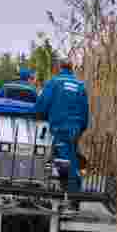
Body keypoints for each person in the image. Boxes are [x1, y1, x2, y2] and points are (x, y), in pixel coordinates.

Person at [35, 58, 90, 207]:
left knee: (65, 161)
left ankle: (73, 197)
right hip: (76, 128)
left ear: (59, 68)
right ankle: (66, 189)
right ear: (72, 69)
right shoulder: (80, 86)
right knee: (68, 158)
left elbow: (42, 105)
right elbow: (85, 111)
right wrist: (81, 128)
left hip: (60, 127)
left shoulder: (54, 83)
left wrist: (38, 115)